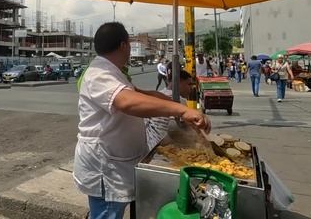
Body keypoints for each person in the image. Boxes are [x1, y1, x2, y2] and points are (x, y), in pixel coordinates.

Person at [74, 22, 210, 219]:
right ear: (124, 45)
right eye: (129, 44)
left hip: (119, 162)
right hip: (106, 168)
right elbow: (128, 102)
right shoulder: (98, 74)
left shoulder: (115, 72)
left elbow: (143, 95)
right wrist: (181, 111)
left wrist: (182, 109)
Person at [145, 69, 194, 150]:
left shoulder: (162, 93)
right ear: (179, 82)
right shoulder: (178, 100)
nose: (191, 88)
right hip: (160, 146)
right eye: (189, 84)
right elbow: (181, 128)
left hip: (150, 144)